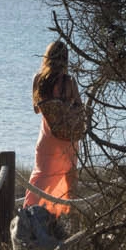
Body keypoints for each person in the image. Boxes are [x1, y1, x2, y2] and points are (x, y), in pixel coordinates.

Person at [25, 39, 81, 217]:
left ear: (47, 57)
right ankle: (64, 218)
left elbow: (36, 109)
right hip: (67, 140)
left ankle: (30, 215)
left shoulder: (39, 80)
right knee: (68, 178)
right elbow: (79, 108)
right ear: (65, 59)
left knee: (41, 177)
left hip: (48, 138)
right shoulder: (69, 82)